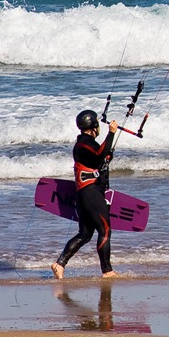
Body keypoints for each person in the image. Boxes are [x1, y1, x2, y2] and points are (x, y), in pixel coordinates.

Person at [51, 109, 119, 279]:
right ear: (94, 125)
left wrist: (107, 157)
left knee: (85, 234)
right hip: (90, 193)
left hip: (85, 193)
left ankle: (59, 264)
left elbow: (98, 159)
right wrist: (111, 134)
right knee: (105, 230)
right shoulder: (85, 143)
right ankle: (107, 271)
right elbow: (99, 153)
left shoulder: (84, 144)